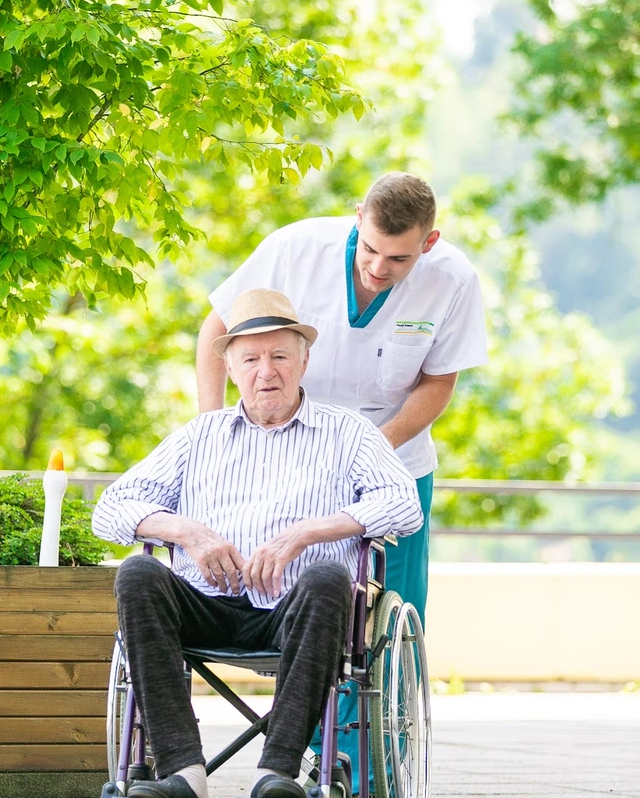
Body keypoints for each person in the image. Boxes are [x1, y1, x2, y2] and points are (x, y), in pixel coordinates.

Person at [92, 289, 423, 798]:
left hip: (301, 612)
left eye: (279, 356)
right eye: (250, 358)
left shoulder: (348, 434)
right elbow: (111, 509)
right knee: (138, 573)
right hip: (207, 605)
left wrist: (308, 532)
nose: (265, 371)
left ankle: (277, 776)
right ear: (230, 366)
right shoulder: (200, 437)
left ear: (304, 362)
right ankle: (183, 776)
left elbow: (402, 504)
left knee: (326, 576)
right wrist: (187, 532)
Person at [197, 172, 488, 630]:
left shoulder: (453, 280)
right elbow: (219, 330)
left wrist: (366, 449)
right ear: (357, 219)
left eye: (398, 258)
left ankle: (383, 704)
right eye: (370, 249)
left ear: (429, 242)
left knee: (390, 620)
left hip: (394, 458)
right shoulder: (296, 248)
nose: (377, 269)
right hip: (288, 451)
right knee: (295, 599)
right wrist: (214, 427)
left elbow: (438, 382)